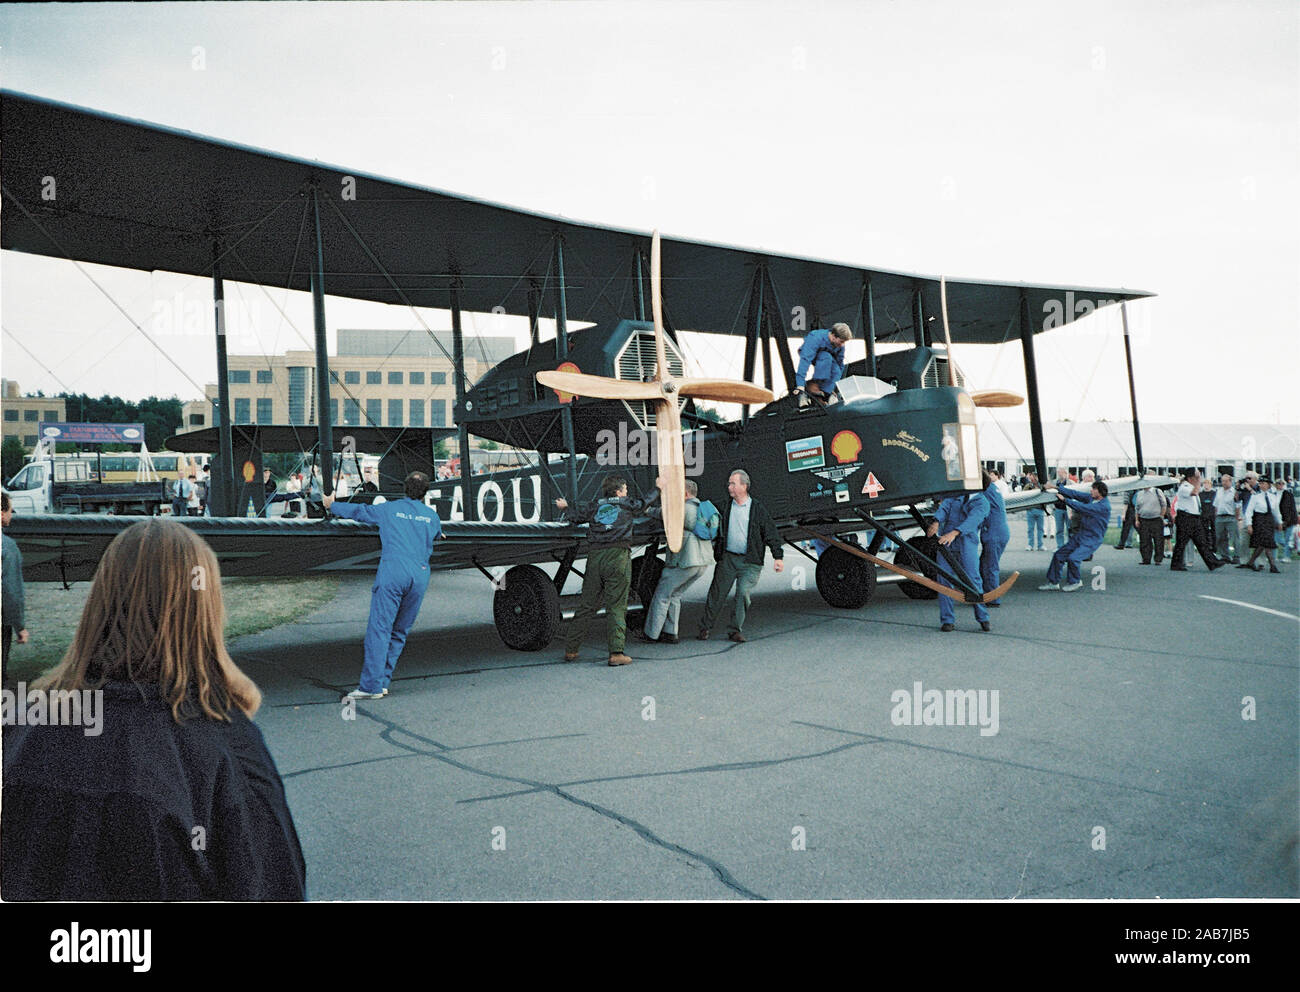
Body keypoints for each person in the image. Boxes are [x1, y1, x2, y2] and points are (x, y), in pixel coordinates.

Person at [1, 518, 306, 900]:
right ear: (203, 611)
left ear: (101, 599)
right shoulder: (228, 749)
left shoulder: (24, 725)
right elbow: (273, 886)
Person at [325, 472, 444, 697]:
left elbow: (360, 512)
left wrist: (333, 506)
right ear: (425, 493)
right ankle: (383, 681)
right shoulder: (432, 516)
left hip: (394, 571)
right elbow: (437, 534)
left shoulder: (390, 509)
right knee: (399, 631)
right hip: (419, 575)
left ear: (404, 489)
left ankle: (371, 686)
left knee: (380, 629)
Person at [556, 475, 660, 666]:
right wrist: (658, 488)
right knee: (616, 605)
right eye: (625, 489)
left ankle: (571, 650)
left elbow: (576, 517)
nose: (627, 491)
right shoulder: (626, 503)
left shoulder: (595, 505)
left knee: (586, 605)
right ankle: (616, 653)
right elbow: (643, 504)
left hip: (595, 557)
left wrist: (565, 507)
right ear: (619, 491)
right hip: (618, 556)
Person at [698, 470, 784, 643]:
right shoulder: (725, 506)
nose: (729, 487)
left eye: (733, 483)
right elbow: (706, 508)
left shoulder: (758, 509)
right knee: (717, 593)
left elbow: (771, 533)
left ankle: (734, 630)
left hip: (750, 561)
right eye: (729, 483)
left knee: (743, 593)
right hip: (728, 559)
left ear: (744, 486)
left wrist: (778, 557)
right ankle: (705, 627)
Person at [639, 478, 713, 644]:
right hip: (702, 562)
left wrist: (646, 509)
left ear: (685, 494)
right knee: (675, 594)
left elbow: (662, 513)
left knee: (662, 595)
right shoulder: (703, 508)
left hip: (685, 561)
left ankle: (651, 634)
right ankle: (670, 632)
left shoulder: (683, 508)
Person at [928, 489, 990, 631]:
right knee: (944, 580)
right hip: (946, 543)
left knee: (972, 580)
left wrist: (954, 533)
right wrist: (936, 521)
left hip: (966, 543)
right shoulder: (955, 495)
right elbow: (945, 507)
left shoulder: (982, 502)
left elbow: (972, 520)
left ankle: (983, 617)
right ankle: (947, 620)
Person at [1040, 479, 1111, 591]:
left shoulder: (1104, 506)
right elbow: (1075, 494)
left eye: (1093, 489)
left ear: (1100, 492)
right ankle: (1053, 582)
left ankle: (1075, 582)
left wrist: (1065, 500)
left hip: (1092, 538)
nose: (1091, 491)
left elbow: (1082, 508)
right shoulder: (1091, 499)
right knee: (1059, 555)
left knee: (1073, 558)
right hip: (1081, 535)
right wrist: (1056, 488)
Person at [1170, 470, 1222, 572]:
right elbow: (1194, 492)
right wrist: (1198, 481)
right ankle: (1176, 564)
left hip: (1194, 517)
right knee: (1181, 542)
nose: (1198, 480)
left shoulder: (1189, 486)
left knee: (1201, 541)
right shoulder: (1184, 487)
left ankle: (1212, 562)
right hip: (1186, 517)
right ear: (1190, 478)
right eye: (1196, 477)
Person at [2, 491, 29, 682]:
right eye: (10, 510)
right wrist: (20, 626)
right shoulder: (7, 547)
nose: (11, 514)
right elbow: (11, 593)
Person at [795, 323, 852, 401]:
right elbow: (805, 360)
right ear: (833, 336)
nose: (842, 345)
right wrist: (800, 385)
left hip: (826, 358)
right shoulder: (815, 338)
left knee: (837, 371)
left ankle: (825, 393)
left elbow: (840, 364)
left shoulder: (840, 346)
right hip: (810, 353)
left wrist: (834, 386)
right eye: (841, 341)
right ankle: (814, 385)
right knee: (826, 357)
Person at [1238, 477, 1283, 573]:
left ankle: (1251, 562)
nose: (1262, 485)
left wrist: (1279, 522)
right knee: (1265, 542)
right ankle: (1272, 565)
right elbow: (1249, 511)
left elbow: (1276, 511)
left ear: (1268, 485)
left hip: (1269, 520)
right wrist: (1249, 525)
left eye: (1264, 483)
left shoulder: (1273, 497)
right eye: (1260, 483)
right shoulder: (1255, 497)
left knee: (1264, 543)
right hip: (1259, 520)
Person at [978, 469, 1010, 608]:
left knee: (990, 566)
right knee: (985, 564)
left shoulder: (985, 492)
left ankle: (993, 598)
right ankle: (985, 594)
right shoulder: (993, 488)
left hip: (994, 533)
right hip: (998, 532)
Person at [1134, 484, 1169, 564]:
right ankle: (1146, 559)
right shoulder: (1139, 494)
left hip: (1156, 519)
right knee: (1144, 540)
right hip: (1143, 519)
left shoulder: (1157, 491)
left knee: (1158, 540)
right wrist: (1137, 520)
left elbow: (1164, 504)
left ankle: (1158, 559)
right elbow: (1137, 508)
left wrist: (1161, 516)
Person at [1212, 473, 1241, 564]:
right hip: (1220, 517)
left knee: (1235, 537)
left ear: (1230, 481)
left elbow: (1237, 506)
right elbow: (1216, 505)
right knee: (1220, 537)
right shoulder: (1219, 491)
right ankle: (1225, 555)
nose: (1224, 483)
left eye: (1226, 481)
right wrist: (1216, 515)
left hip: (1231, 517)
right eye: (1222, 481)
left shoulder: (1234, 492)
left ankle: (1237, 556)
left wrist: (1236, 517)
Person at [1050, 467, 1071, 548]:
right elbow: (1051, 495)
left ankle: (1069, 547)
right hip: (1058, 509)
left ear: (1066, 473)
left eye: (1061, 472)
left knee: (1069, 529)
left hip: (1068, 509)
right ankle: (1060, 546)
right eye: (1058, 472)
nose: (1060, 474)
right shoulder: (1054, 483)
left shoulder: (1071, 483)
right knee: (1059, 530)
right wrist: (1052, 506)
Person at [1277, 479, 1297, 563]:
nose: (1280, 485)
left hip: (1289, 520)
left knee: (1288, 538)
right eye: (1278, 483)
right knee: (1277, 538)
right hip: (1279, 519)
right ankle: (1290, 548)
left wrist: (1286, 521)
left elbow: (1290, 509)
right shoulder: (1273, 494)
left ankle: (1287, 556)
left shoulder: (1288, 494)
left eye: (1282, 483)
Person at [1024, 473, 1046, 551]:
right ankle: (1030, 544)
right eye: (1032, 477)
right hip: (1031, 510)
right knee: (1030, 528)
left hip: (1040, 509)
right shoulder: (1028, 486)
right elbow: (1023, 496)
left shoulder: (1042, 486)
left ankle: (1040, 545)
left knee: (1040, 529)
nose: (1034, 479)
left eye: (1035, 477)